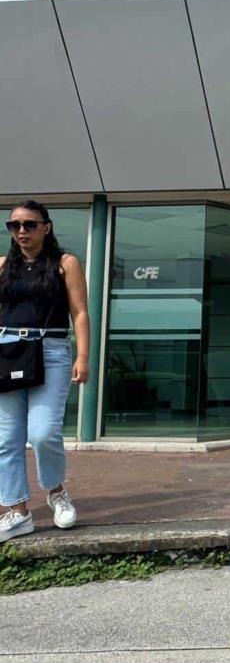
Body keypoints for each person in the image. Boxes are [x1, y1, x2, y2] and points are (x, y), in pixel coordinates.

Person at [0, 201, 90, 541]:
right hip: (7, 350)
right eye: (14, 225)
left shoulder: (65, 264)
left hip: (50, 350)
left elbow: (80, 313)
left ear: (46, 227)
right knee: (6, 438)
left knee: (42, 432)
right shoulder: (3, 266)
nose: (21, 231)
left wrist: (83, 356)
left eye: (29, 224)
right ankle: (18, 512)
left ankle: (55, 491)